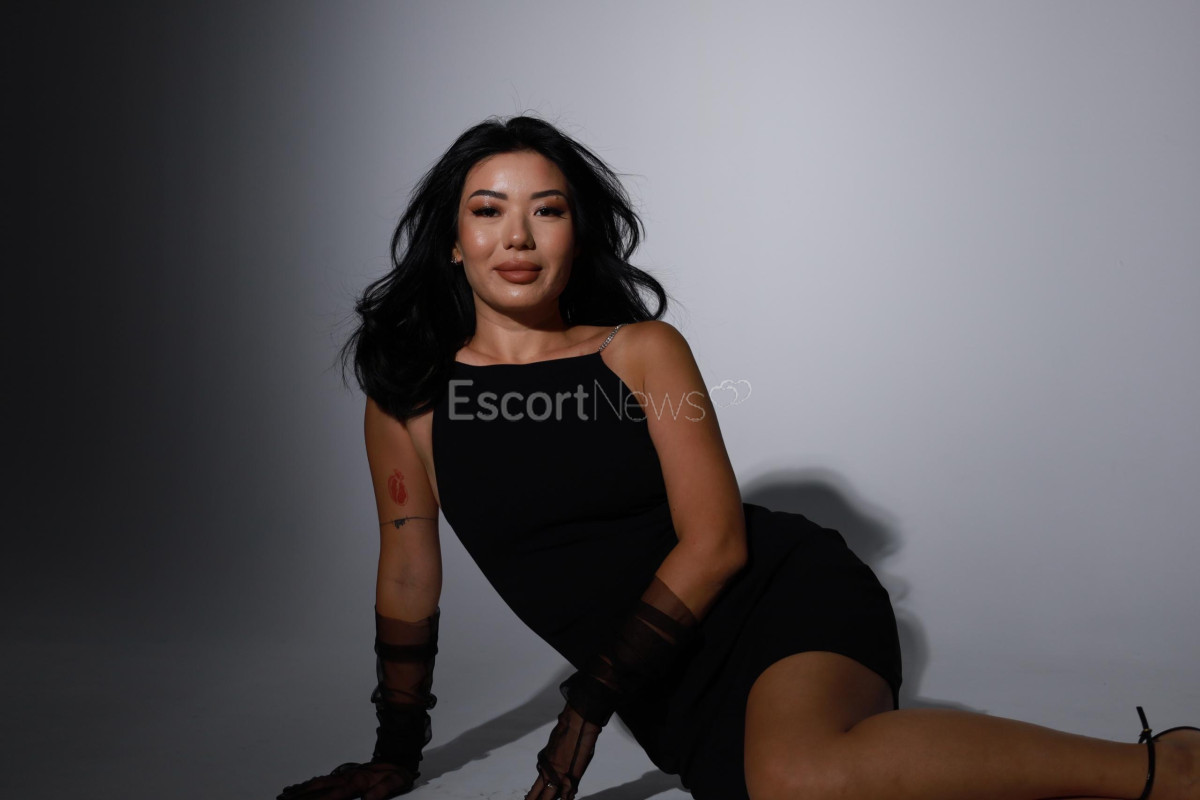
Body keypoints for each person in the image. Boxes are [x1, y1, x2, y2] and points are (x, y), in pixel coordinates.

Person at [276, 116, 1199, 800]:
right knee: (777, 785)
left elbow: (716, 542)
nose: (516, 237)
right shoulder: (410, 397)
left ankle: (1163, 769)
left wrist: (586, 707)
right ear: (453, 239)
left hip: (775, 599)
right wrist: (399, 752)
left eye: (546, 211)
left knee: (799, 778)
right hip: (661, 673)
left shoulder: (642, 353)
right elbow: (409, 574)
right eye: (489, 211)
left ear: (575, 233)